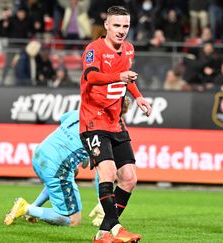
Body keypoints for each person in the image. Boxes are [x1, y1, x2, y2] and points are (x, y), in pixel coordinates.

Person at [79, 5, 152, 243]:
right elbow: (91, 76)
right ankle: (117, 230)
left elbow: (126, 77)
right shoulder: (94, 49)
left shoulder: (129, 50)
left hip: (115, 122)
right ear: (107, 25)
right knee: (108, 172)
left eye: (126, 26)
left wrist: (138, 96)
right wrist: (119, 77)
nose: (122, 31)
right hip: (93, 121)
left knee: (129, 178)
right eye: (117, 25)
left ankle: (102, 233)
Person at [3, 110, 90, 227]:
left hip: (40, 152)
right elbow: (88, 163)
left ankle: (33, 208)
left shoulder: (82, 111)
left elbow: (63, 118)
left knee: (61, 180)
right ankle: (27, 209)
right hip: (56, 165)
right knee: (73, 220)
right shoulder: (105, 126)